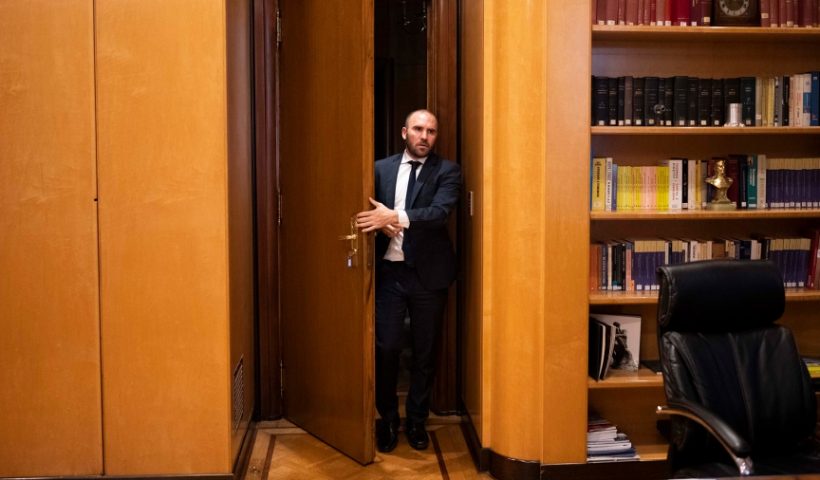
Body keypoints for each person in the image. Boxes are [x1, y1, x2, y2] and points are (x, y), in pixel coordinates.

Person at [356, 109, 461, 453]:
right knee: (386, 348)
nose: (424, 136)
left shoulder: (447, 171)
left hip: (429, 276)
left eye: (431, 131)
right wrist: (380, 223)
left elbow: (438, 213)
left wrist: (395, 216)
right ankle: (387, 419)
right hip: (390, 274)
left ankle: (417, 420)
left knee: (424, 352)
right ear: (404, 132)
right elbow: (362, 211)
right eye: (418, 129)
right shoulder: (379, 169)